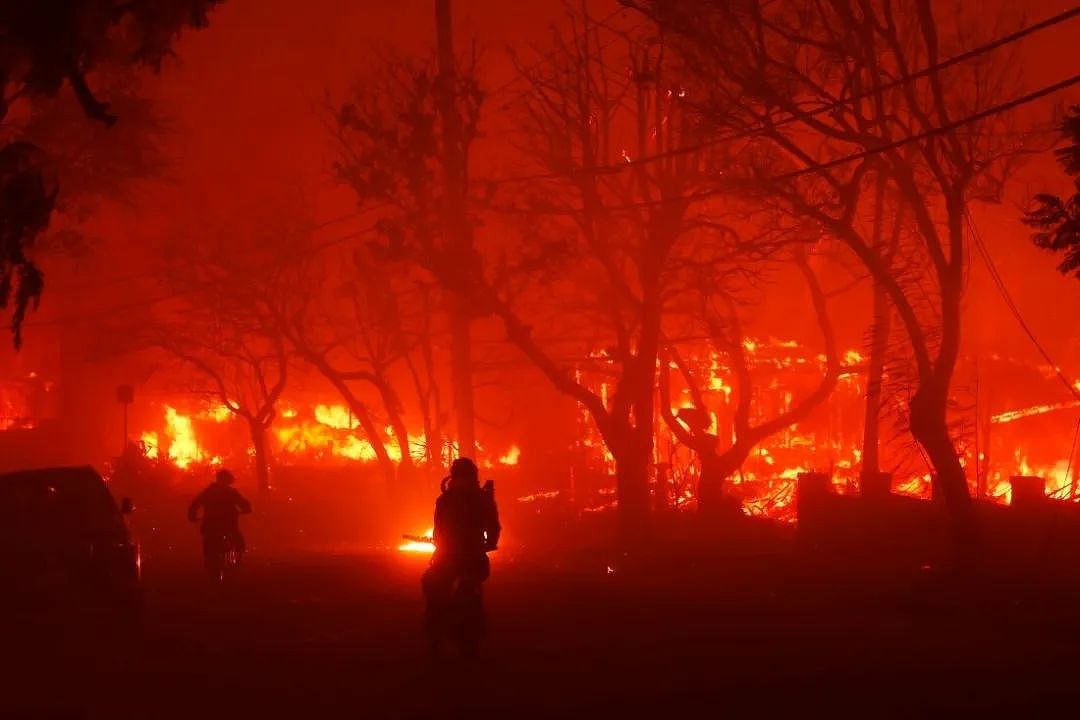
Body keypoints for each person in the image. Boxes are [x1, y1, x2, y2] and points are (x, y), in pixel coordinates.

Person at [421, 457, 501, 655]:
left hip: (455, 560)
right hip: (470, 559)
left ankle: (437, 636)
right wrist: (489, 544)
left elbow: (438, 531)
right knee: (432, 585)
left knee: (432, 584)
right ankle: (439, 634)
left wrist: (441, 546)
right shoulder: (481, 499)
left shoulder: (445, 500)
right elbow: (493, 528)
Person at [188, 469, 252, 572]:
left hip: (212, 526)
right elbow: (245, 504)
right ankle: (237, 560)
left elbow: (194, 505)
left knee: (212, 544)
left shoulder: (208, 492)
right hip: (227, 525)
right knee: (239, 542)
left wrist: (192, 516)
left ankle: (213, 564)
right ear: (229, 481)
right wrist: (246, 510)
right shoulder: (230, 492)